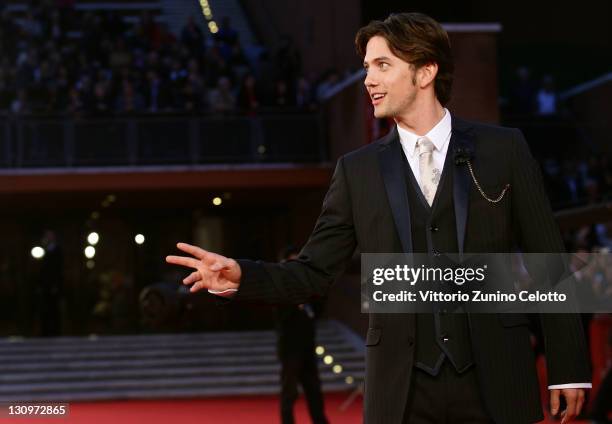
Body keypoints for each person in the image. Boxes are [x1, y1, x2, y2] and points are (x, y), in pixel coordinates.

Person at [167, 12, 591, 424]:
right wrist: (243, 275)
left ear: (425, 73)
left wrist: (568, 366)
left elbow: (549, 265)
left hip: (497, 379)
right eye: (367, 67)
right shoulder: (357, 171)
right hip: (401, 392)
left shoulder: (504, 150)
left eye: (382, 65)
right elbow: (314, 272)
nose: (368, 79)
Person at [276, 245, 328, 424]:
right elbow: (280, 315)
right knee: (289, 391)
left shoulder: (309, 290)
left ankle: (320, 420)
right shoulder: (279, 290)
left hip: (308, 348)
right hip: (290, 350)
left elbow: (319, 309)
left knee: (314, 389)